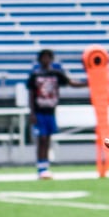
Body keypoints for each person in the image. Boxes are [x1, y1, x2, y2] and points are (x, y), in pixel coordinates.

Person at [28, 48, 87, 179]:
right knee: (41, 139)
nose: (46, 60)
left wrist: (86, 84)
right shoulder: (35, 75)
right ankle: (40, 167)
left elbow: (70, 83)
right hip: (39, 111)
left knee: (48, 139)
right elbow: (31, 94)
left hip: (50, 111)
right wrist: (32, 112)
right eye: (44, 57)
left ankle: (45, 166)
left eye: (48, 57)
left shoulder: (56, 74)